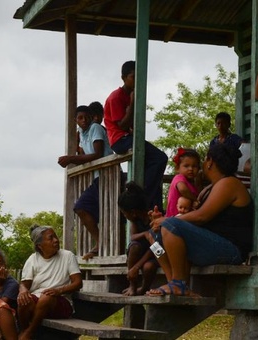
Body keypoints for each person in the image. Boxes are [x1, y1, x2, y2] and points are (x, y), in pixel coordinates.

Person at [145, 143, 253, 297]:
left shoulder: (229, 183)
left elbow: (202, 216)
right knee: (154, 235)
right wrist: (160, 222)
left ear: (209, 162)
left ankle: (178, 284)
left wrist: (166, 221)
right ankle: (175, 283)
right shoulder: (212, 187)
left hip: (231, 250)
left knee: (170, 225)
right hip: (210, 244)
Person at [104, 60, 168, 213]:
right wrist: (133, 103)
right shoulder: (116, 97)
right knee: (160, 158)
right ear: (124, 78)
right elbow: (122, 126)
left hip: (129, 137)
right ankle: (142, 195)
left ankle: (154, 206)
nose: (136, 80)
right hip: (120, 140)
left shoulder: (131, 95)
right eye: (133, 77)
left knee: (154, 168)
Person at [58, 105, 113, 260]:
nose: (83, 120)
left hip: (107, 175)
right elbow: (82, 152)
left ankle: (101, 243)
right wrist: (75, 147)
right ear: (75, 120)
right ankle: (101, 243)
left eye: (86, 117)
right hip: (98, 177)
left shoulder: (95, 128)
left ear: (91, 117)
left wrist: (71, 159)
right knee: (86, 210)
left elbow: (97, 154)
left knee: (81, 207)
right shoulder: (82, 133)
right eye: (79, 118)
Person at [17, 225, 82, 340]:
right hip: (38, 301)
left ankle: (29, 333)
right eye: (51, 238)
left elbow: (78, 283)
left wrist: (59, 290)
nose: (56, 240)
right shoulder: (32, 259)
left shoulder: (67, 256)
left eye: (55, 236)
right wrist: (22, 290)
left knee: (46, 297)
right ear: (40, 246)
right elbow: (24, 285)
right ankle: (24, 330)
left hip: (60, 302)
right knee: (23, 301)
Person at [118, 181, 159, 296]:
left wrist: (137, 267)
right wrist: (145, 234)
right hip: (142, 252)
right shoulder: (136, 221)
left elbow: (156, 248)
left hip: (157, 254)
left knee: (148, 267)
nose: (124, 216)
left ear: (133, 212)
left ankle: (144, 288)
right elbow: (133, 236)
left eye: (124, 213)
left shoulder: (153, 218)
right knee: (134, 246)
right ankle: (132, 285)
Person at [166, 148, 201, 217]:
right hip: (173, 219)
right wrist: (195, 200)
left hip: (185, 219)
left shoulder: (193, 185)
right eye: (186, 166)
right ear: (177, 168)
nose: (190, 169)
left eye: (194, 166)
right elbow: (183, 189)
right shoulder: (179, 178)